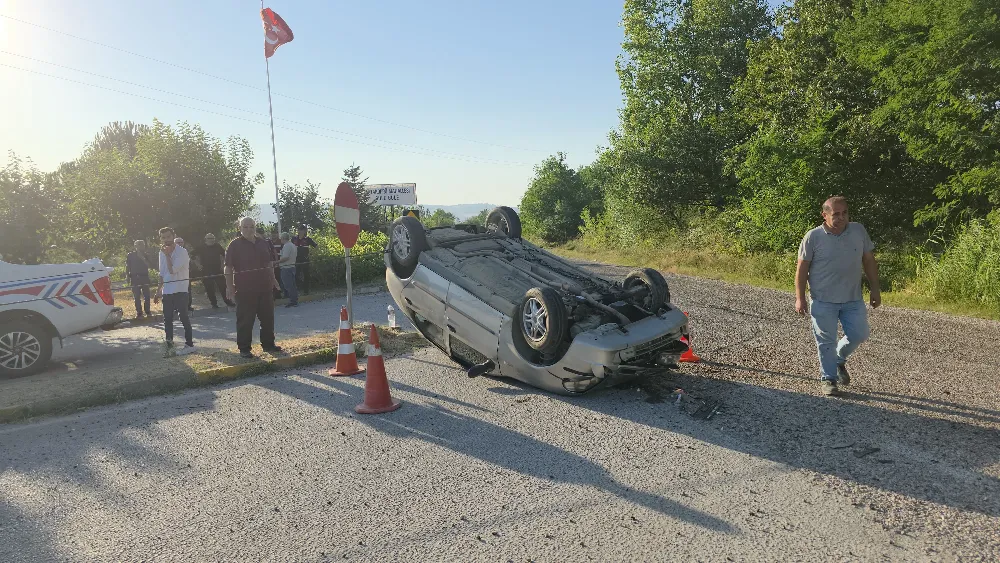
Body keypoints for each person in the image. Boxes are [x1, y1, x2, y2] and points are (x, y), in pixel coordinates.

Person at [795, 196, 881, 396]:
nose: (842, 218)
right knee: (826, 340)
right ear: (824, 215)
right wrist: (800, 297)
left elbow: (868, 260)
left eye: (845, 213)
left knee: (860, 334)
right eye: (836, 214)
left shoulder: (858, 231)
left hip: (853, 298)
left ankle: (839, 359)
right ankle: (828, 378)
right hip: (823, 299)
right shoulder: (813, 237)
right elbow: (801, 269)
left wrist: (875, 288)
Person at [225, 217, 283, 358]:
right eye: (245, 227)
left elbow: (269, 263)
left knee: (268, 318)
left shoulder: (263, 243)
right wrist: (229, 286)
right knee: (245, 320)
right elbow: (228, 266)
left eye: (251, 226)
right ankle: (244, 348)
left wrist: (274, 280)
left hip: (265, 287)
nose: (249, 229)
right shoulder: (234, 245)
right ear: (240, 228)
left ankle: (268, 344)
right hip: (244, 289)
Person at [154, 227, 195, 356]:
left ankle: (189, 344)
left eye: (168, 236)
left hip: (180, 290)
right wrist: (158, 290)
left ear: (173, 236)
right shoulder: (161, 253)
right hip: (167, 290)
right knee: (167, 319)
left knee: (183, 317)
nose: (166, 240)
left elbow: (172, 270)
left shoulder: (182, 252)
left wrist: (167, 255)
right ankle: (169, 346)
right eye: (163, 237)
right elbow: (162, 272)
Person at [193, 233, 235, 309]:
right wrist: (198, 264)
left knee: (223, 287)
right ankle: (214, 304)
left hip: (217, 269)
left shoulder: (217, 246)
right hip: (205, 270)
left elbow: (225, 254)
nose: (212, 240)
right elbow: (192, 255)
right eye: (210, 239)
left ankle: (228, 302)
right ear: (206, 239)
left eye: (213, 238)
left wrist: (223, 265)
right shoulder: (201, 247)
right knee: (209, 288)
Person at [124, 240, 153, 320]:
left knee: (146, 296)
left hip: (144, 277)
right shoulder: (130, 255)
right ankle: (139, 313)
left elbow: (149, 265)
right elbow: (127, 266)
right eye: (139, 245)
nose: (141, 246)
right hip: (134, 277)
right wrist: (127, 276)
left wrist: (142, 258)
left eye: (142, 245)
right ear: (135, 246)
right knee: (137, 296)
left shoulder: (147, 255)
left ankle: (148, 311)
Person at [292, 225, 318, 295]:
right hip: (296, 260)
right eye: (299, 230)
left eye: (302, 230)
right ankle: (296, 291)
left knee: (306, 275)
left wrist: (311, 254)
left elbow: (316, 246)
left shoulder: (308, 239)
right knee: (296, 275)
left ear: (305, 231)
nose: (300, 231)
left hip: (305, 260)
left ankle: (306, 291)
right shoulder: (294, 239)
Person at [278, 232, 299, 307]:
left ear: (283, 238)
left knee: (288, 285)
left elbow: (285, 257)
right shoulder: (292, 245)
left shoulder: (286, 246)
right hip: (292, 266)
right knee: (292, 285)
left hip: (286, 268)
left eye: (281, 238)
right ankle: (294, 300)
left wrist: (277, 262)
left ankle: (293, 301)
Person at [270, 231, 285, 300]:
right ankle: (274, 295)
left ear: (277, 234)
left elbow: (283, 252)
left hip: (279, 263)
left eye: (275, 233)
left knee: (278, 279)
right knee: (272, 279)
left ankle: (279, 294)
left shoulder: (280, 242)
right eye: (272, 234)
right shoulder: (269, 242)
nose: (274, 235)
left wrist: (278, 262)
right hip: (270, 264)